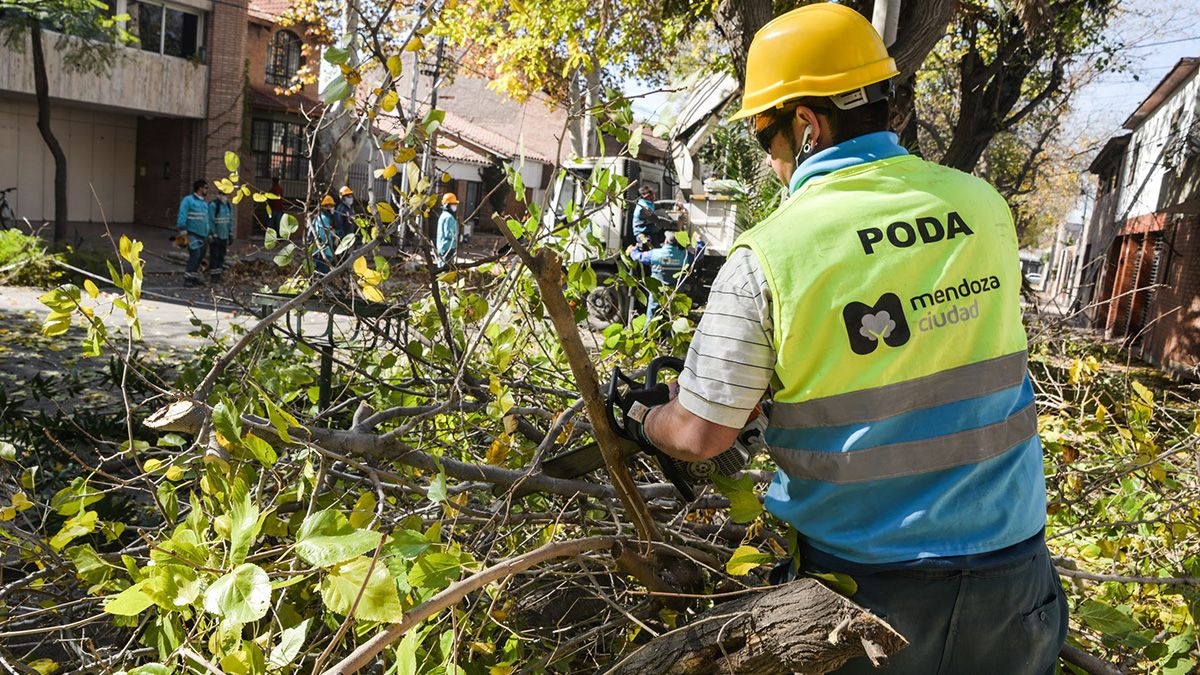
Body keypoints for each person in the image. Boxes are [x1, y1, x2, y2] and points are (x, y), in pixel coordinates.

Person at [618, 5, 1066, 674]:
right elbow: (929, 352)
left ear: (806, 123)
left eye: (765, 137)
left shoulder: (772, 252)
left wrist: (643, 415)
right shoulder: (982, 206)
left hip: (868, 606)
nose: (770, 160)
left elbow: (700, 436)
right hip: (1015, 583)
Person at [627, 230, 691, 328]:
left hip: (657, 290)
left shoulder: (655, 254)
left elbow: (637, 257)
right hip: (673, 291)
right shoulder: (684, 256)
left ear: (665, 241)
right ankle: (671, 337)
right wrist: (699, 242)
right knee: (673, 316)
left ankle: (647, 335)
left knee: (651, 314)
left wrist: (633, 250)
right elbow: (698, 255)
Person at [176, 179, 211, 285]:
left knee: (201, 256)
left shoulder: (204, 203)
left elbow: (206, 219)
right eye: (205, 188)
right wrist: (182, 229)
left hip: (203, 234)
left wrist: (209, 232)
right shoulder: (188, 200)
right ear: (200, 188)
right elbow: (182, 214)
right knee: (195, 254)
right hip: (192, 233)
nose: (206, 190)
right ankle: (188, 279)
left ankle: (194, 277)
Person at [208, 192, 235, 279]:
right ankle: (213, 276)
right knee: (214, 256)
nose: (225, 197)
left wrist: (230, 233)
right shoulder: (214, 205)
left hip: (224, 235)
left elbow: (230, 220)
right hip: (216, 235)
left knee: (221, 256)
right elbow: (210, 221)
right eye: (223, 195)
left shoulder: (228, 205)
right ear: (218, 195)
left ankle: (218, 275)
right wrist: (213, 234)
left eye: (226, 195)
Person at [310, 195, 337, 274]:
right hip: (323, 253)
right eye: (330, 206)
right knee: (323, 275)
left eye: (332, 206)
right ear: (325, 207)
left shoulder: (323, 217)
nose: (332, 208)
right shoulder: (323, 219)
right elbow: (323, 237)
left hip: (321, 252)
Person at [435, 192, 459, 269]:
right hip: (448, 247)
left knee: (441, 267)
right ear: (447, 205)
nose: (455, 206)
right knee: (446, 269)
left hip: (442, 247)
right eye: (453, 204)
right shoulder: (449, 217)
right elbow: (450, 234)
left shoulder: (443, 216)